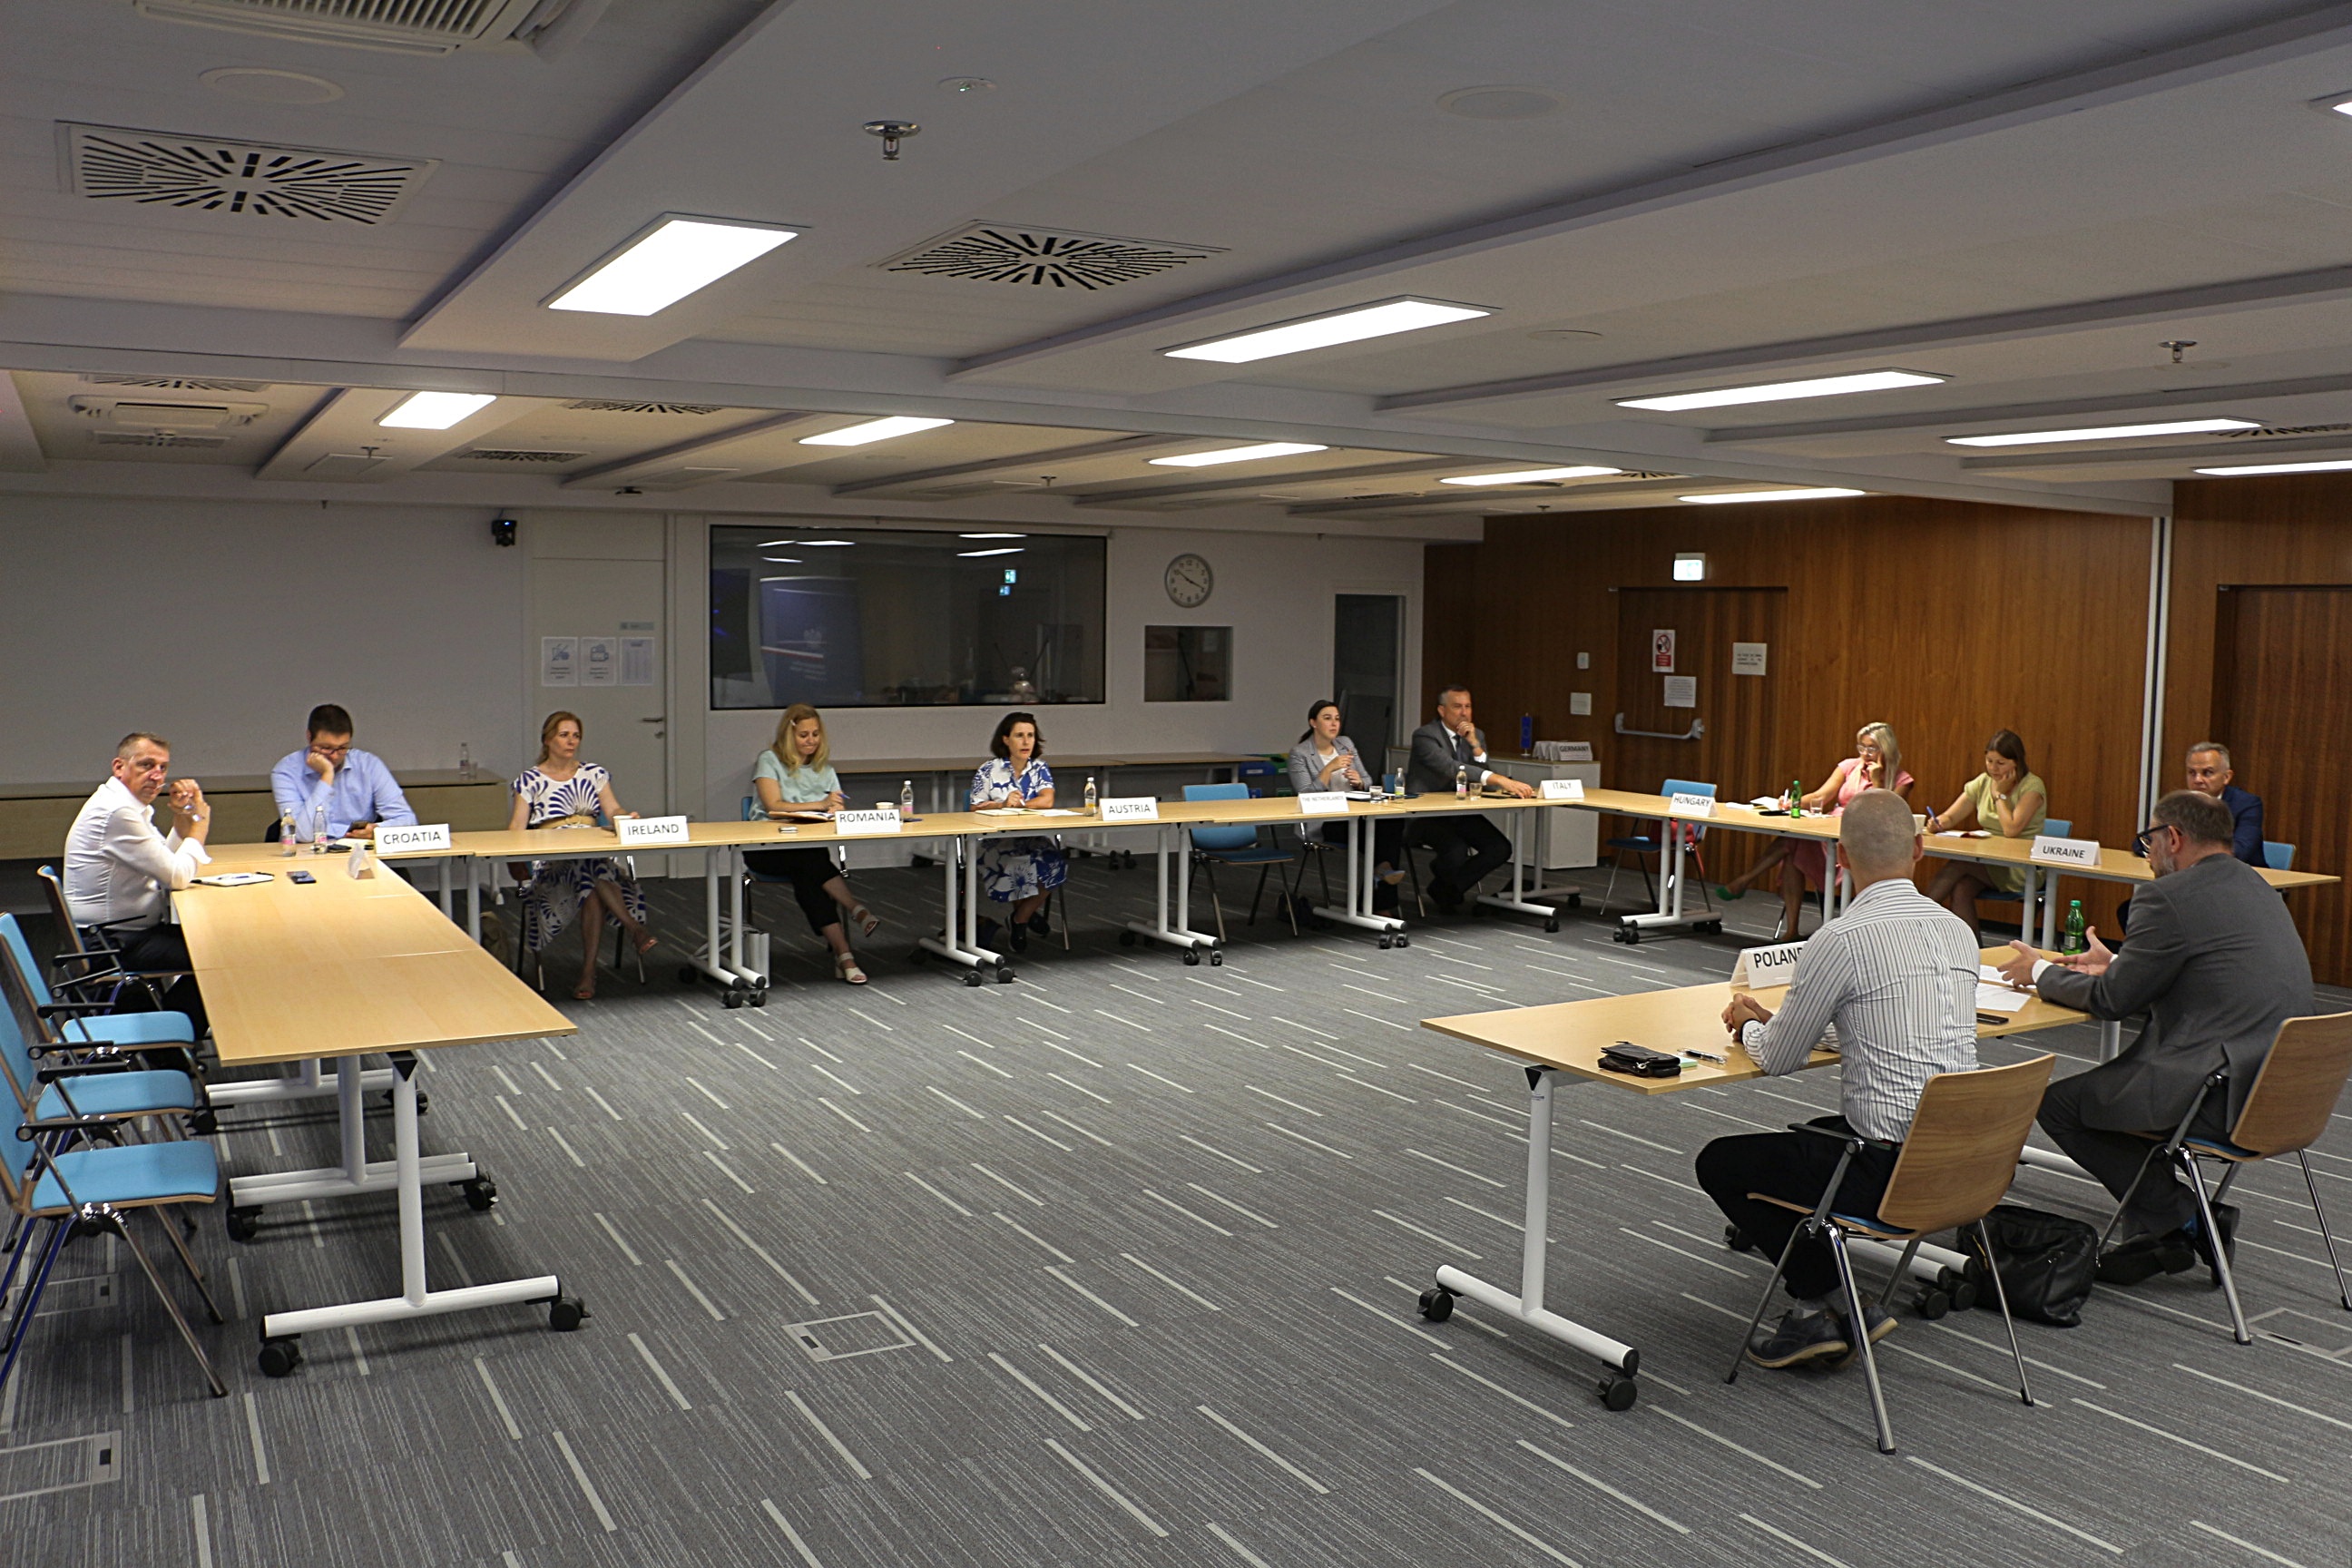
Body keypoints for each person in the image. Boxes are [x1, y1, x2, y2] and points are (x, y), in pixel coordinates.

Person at [1697, 790, 1979, 1368]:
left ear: (1841, 858)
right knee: (1812, 1135)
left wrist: (1751, 1025)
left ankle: (1823, 1300)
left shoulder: (1841, 939)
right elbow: (1882, 1020)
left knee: (1721, 1161)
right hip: (1964, 1163)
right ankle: (1840, 1301)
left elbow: (1777, 1059)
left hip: (1888, 1175)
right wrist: (1785, 1020)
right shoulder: (1959, 933)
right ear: (1919, 850)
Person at [1994, 789, 2312, 1286]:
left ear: (2174, 837)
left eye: (2149, 841)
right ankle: (2169, 1229)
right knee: (2110, 1092)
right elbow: (2211, 969)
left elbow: (2112, 1002)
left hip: (2218, 1091)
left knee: (2060, 1105)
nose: (2147, 854)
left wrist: (2040, 971)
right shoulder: (2258, 886)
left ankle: (2187, 1219)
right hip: (2285, 1090)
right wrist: (2121, 964)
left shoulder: (2166, 896)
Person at [61, 732, 212, 1031]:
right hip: (110, 943)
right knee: (219, 956)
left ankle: (169, 1031)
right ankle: (169, 1041)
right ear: (119, 766)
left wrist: (182, 818)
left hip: (119, 933)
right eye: (146, 765)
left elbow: (164, 861)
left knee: (214, 943)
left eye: (163, 768)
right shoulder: (117, 812)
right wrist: (200, 825)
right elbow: (178, 876)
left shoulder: (125, 805)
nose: (157, 776)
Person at [507, 711, 656, 1001]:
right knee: (589, 871)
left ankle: (588, 972)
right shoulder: (529, 780)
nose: (571, 741)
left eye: (576, 736)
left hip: (593, 858)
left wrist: (626, 817)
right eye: (564, 735)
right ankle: (634, 930)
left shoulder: (594, 774)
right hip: (552, 865)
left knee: (590, 877)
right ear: (547, 739)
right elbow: (516, 828)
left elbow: (613, 810)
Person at [1719, 721, 1913, 939]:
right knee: (1794, 845)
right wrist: (1793, 803)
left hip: (1864, 841)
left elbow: (1882, 813)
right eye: (1862, 747)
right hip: (1831, 829)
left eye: (1872, 748)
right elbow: (1821, 796)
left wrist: (1876, 781)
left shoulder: (1902, 780)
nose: (1865, 754)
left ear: (1886, 749)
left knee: (1792, 847)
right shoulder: (1849, 766)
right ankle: (1791, 929)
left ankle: (1745, 880)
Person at [744, 704, 878, 985]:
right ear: (789, 735)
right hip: (765, 848)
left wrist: (836, 808)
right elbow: (773, 806)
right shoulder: (769, 760)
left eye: (815, 734)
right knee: (809, 862)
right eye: (804, 735)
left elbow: (837, 804)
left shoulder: (824, 768)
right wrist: (820, 804)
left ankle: (845, 954)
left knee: (808, 873)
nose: (811, 740)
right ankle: (855, 909)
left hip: (805, 850)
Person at [1405, 685, 1534, 910]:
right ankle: (1447, 883)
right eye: (1457, 707)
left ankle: (1447, 887)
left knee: (1499, 848)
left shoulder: (1476, 735)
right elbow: (1451, 768)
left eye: (1468, 706)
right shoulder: (1425, 736)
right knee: (1456, 850)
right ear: (1442, 711)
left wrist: (1475, 746)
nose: (1464, 713)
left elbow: (1485, 782)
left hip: (1459, 811)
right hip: (1425, 813)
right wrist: (1500, 779)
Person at [2117, 741, 2268, 934]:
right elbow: (2142, 842)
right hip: (2189, 884)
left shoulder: (2246, 804)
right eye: (2191, 773)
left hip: (2237, 884)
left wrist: (2183, 855)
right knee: (2132, 910)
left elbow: (2240, 849)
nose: (2198, 780)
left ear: (2227, 776)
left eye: (2207, 773)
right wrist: (2156, 851)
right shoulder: (2181, 805)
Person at [1922, 729, 2046, 938]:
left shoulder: (2032, 786)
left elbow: (2011, 830)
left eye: (2001, 763)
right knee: (1962, 888)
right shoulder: (1983, 782)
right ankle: (1974, 951)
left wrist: (1999, 795)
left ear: (2016, 762)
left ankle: (1915, 919)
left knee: (1959, 864)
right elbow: (1951, 816)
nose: (1993, 768)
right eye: (1989, 761)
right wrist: (1938, 823)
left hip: (2022, 867)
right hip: (1990, 860)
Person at [1288, 699, 1405, 914]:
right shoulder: (1300, 753)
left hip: (1355, 813)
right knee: (1380, 838)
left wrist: (1358, 781)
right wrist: (1329, 769)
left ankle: (1381, 875)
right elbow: (1305, 794)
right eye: (1327, 718)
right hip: (1325, 821)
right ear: (1313, 723)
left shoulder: (1345, 744)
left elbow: (1368, 780)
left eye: (1337, 719)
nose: (1334, 724)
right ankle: (1380, 899)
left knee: (1392, 823)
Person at [969, 711, 1066, 952]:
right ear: (1006, 739)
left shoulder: (1040, 768)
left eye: (1030, 736)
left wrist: (1020, 805)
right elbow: (974, 807)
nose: (1026, 741)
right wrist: (1002, 805)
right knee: (1017, 862)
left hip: (1033, 838)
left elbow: (1047, 800)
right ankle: (1025, 918)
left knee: (1056, 863)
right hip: (996, 841)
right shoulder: (988, 770)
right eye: (1019, 735)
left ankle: (1020, 918)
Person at [268, 703, 416, 844]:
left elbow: (407, 819)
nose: (334, 756)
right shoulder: (286, 770)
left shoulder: (369, 765)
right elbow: (302, 835)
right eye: (326, 748)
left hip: (358, 850)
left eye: (342, 748)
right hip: (306, 854)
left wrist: (377, 830)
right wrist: (327, 776)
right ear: (309, 737)